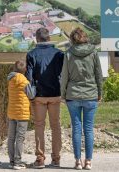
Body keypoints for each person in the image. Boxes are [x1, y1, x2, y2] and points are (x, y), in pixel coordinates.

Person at [61, 27, 103, 170]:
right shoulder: (93, 52)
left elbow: (64, 77)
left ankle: (78, 161)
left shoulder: (68, 54)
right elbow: (99, 75)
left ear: (72, 39)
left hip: (73, 95)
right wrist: (100, 93)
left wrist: (62, 94)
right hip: (91, 94)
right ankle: (89, 162)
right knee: (89, 129)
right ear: (85, 37)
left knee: (77, 129)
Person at [26, 27, 64, 169]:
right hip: (55, 94)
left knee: (39, 126)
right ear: (48, 38)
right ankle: (56, 159)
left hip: (39, 96)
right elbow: (62, 75)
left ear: (37, 38)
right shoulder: (59, 54)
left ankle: (40, 159)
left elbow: (29, 78)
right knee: (56, 126)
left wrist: (30, 96)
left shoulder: (31, 54)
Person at [7, 60, 35, 170]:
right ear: (25, 70)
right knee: (20, 137)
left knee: (11, 137)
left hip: (12, 111)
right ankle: (17, 162)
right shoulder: (24, 81)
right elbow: (31, 95)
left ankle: (12, 161)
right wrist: (34, 86)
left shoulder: (10, 79)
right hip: (22, 113)